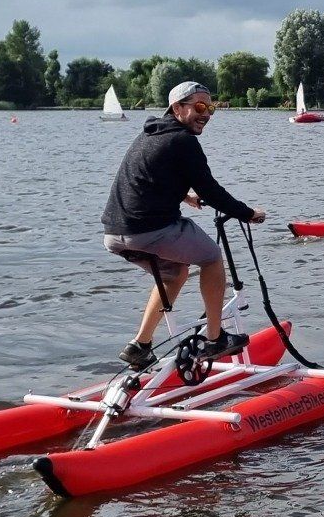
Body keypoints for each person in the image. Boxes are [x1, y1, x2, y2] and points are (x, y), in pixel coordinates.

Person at [101, 80, 264, 369]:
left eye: (211, 108)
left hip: (115, 233)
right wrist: (247, 213)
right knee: (212, 258)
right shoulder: (184, 141)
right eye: (200, 106)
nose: (207, 114)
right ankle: (215, 339)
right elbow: (212, 191)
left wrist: (184, 196)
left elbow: (147, 179)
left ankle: (140, 345)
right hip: (148, 231)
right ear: (177, 108)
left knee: (174, 273)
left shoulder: (149, 134)